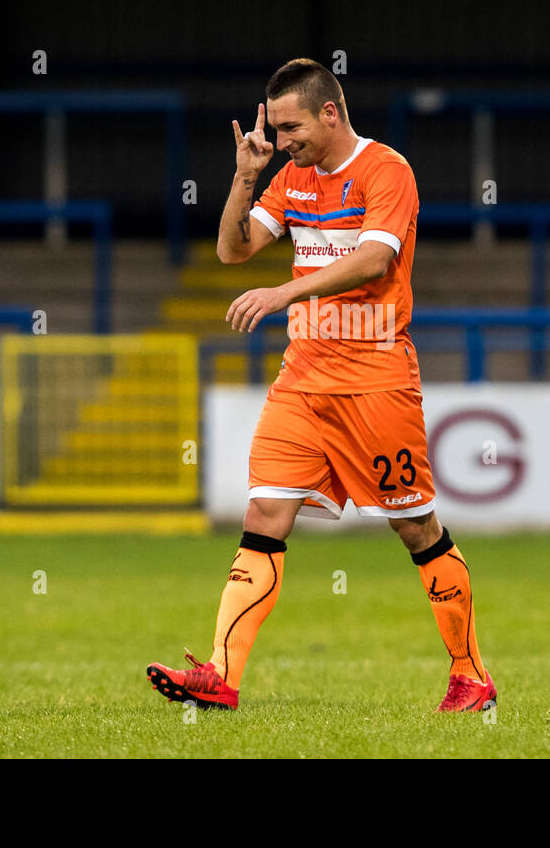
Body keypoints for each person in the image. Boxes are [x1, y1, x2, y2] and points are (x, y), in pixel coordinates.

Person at [146, 58, 495, 712]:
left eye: (289, 127)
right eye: (274, 131)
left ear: (329, 112)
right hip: (303, 378)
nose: (281, 142)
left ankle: (471, 675)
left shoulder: (385, 170)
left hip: (375, 379)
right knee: (263, 516)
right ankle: (221, 675)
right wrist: (245, 180)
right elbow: (234, 249)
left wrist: (286, 291)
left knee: (417, 529)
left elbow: (376, 256)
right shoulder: (292, 177)